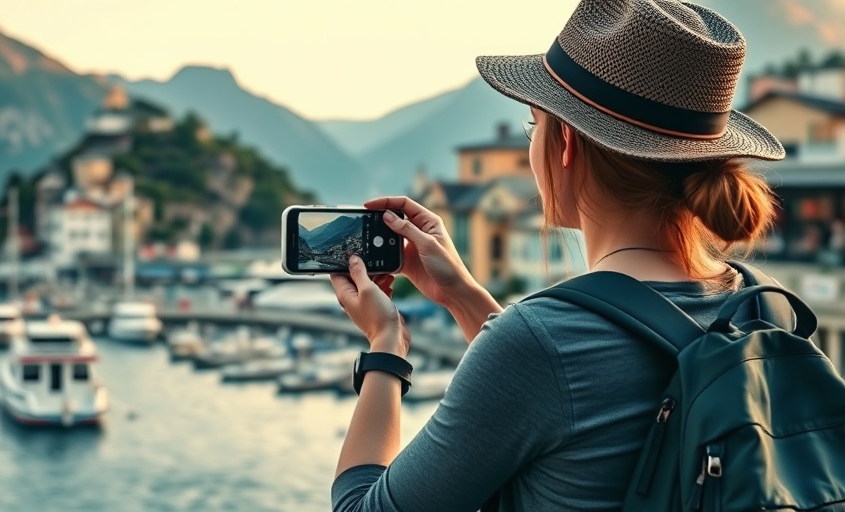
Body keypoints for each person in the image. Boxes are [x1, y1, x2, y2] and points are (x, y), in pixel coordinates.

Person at [329, 0, 784, 510]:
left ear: (565, 142)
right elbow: (572, 378)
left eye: (534, 126)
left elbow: (361, 508)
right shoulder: (765, 309)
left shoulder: (539, 344)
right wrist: (463, 295)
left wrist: (385, 346)